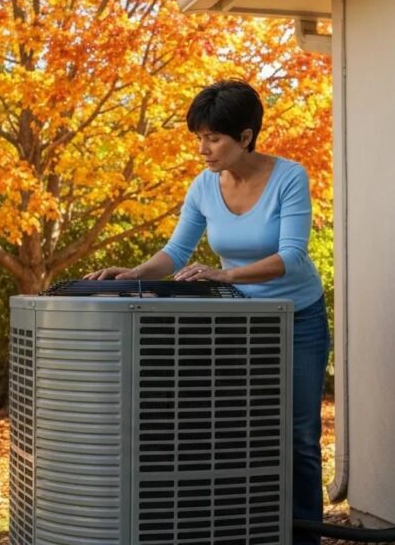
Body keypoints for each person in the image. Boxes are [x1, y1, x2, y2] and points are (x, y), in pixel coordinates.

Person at [84, 79, 330, 545]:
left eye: (213, 138)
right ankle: (248, 529)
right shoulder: (203, 186)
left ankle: (303, 537)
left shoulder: (289, 177)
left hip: (297, 319)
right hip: (238, 324)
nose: (203, 148)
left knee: (298, 437)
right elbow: (175, 252)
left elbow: (292, 256)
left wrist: (222, 277)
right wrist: (134, 273)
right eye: (199, 137)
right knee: (237, 430)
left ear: (245, 136)